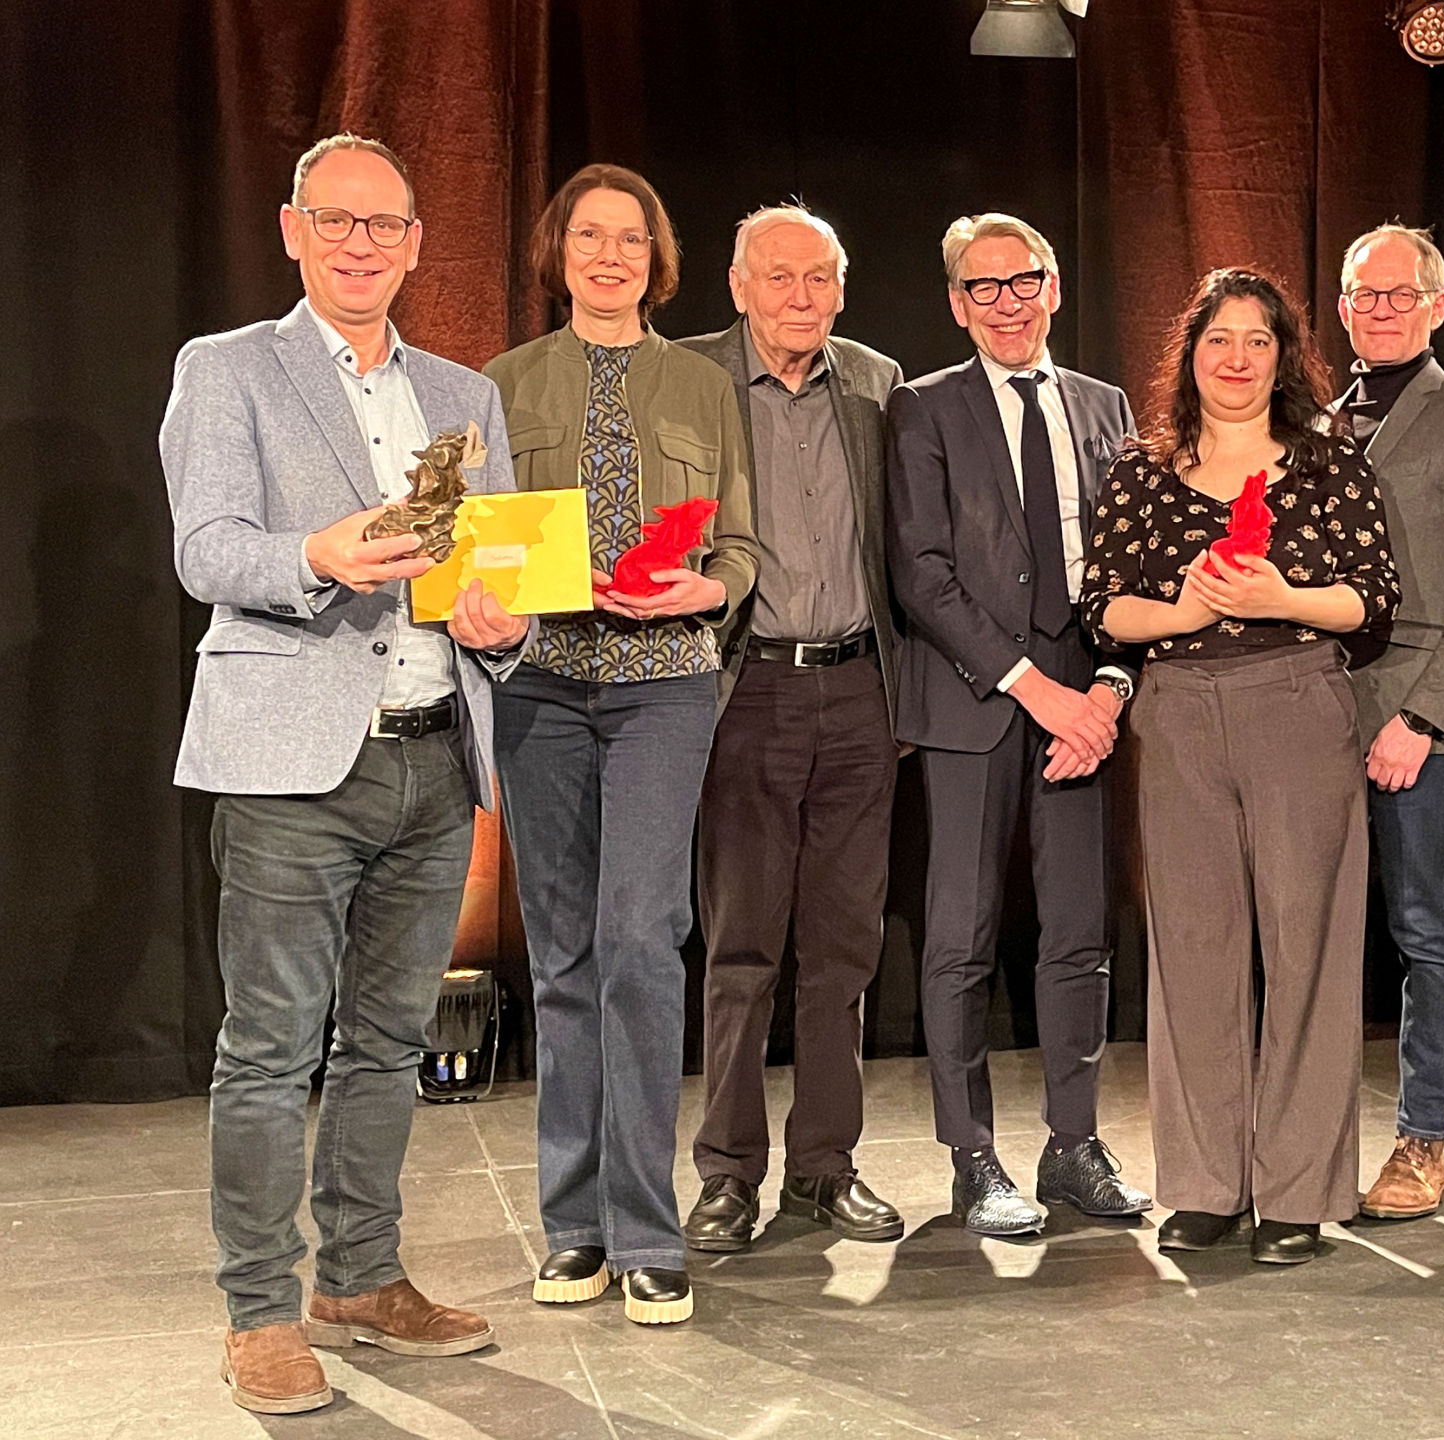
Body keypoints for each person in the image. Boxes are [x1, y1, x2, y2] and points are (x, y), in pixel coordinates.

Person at [161, 133, 526, 1414]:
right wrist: (316, 550)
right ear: (292, 229)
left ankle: (360, 1275)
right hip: (289, 764)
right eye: (338, 220)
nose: (362, 242)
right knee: (267, 1049)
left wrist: (506, 622)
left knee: (385, 1044)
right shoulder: (227, 370)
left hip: (437, 759)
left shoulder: (465, 395)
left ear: (421, 243)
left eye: (386, 224)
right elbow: (206, 550)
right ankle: (259, 1308)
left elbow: (501, 577)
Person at [482, 164, 756, 1326]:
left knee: (640, 940)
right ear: (559, 253)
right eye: (589, 238)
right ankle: (574, 1227)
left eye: (629, 239)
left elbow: (741, 546)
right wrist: (483, 603)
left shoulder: (702, 384)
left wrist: (706, 584)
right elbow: (479, 548)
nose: (609, 257)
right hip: (541, 687)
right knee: (563, 957)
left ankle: (649, 1231)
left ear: (657, 255)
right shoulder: (497, 385)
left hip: (665, 688)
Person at [1082, 267, 1399, 1265]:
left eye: (1258, 340)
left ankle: (1300, 1193)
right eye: (1219, 338)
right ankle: (1209, 1184)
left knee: (1308, 948)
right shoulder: (1141, 466)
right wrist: (1182, 611)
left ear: (1283, 356)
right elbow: (1104, 606)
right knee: (1195, 947)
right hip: (1178, 714)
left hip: (1298, 701)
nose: (1236, 358)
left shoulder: (1328, 461)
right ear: (1191, 352)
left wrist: (1278, 595)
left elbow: (1370, 599)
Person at [887, 212, 1148, 1235]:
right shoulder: (923, 409)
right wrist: (1035, 687)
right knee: (959, 941)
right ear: (957, 304)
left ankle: (1073, 1147)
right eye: (983, 287)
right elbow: (924, 576)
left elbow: (1131, 566)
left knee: (1080, 936)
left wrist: (1109, 691)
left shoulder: (1105, 405)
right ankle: (973, 1159)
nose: (1007, 301)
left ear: (1054, 288)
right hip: (976, 711)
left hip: (1087, 713)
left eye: (1023, 280)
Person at [676, 205, 905, 1252]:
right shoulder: (687, 377)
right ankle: (727, 1175)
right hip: (746, 687)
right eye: (780, 278)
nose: (800, 298)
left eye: (819, 278)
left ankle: (826, 1167)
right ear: (737, 285)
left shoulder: (878, 383)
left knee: (844, 950)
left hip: (861, 693)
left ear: (843, 289)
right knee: (741, 947)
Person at [1331, 226, 1444, 1220]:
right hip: (1309, 712)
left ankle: (1422, 1143)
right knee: (1311, 932)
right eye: (1364, 294)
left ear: (1438, 306)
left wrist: (1425, 717)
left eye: (1401, 294)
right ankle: (1307, 1136)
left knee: (1428, 929)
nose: (1381, 309)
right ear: (1343, 306)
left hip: (1418, 722)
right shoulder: (1310, 417)